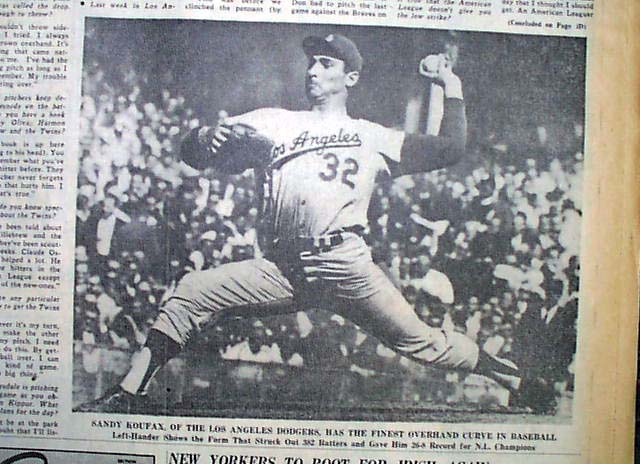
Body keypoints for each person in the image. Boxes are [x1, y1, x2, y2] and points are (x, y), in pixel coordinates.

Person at [77, 34, 554, 414]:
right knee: (193, 290)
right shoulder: (273, 120)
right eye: (312, 62)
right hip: (283, 268)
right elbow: (195, 153)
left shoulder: (372, 135)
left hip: (346, 263)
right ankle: (131, 390)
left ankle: (514, 379)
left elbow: (450, 149)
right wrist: (203, 136)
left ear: (351, 77)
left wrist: (451, 85)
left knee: (424, 344)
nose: (313, 69)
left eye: (326, 63)